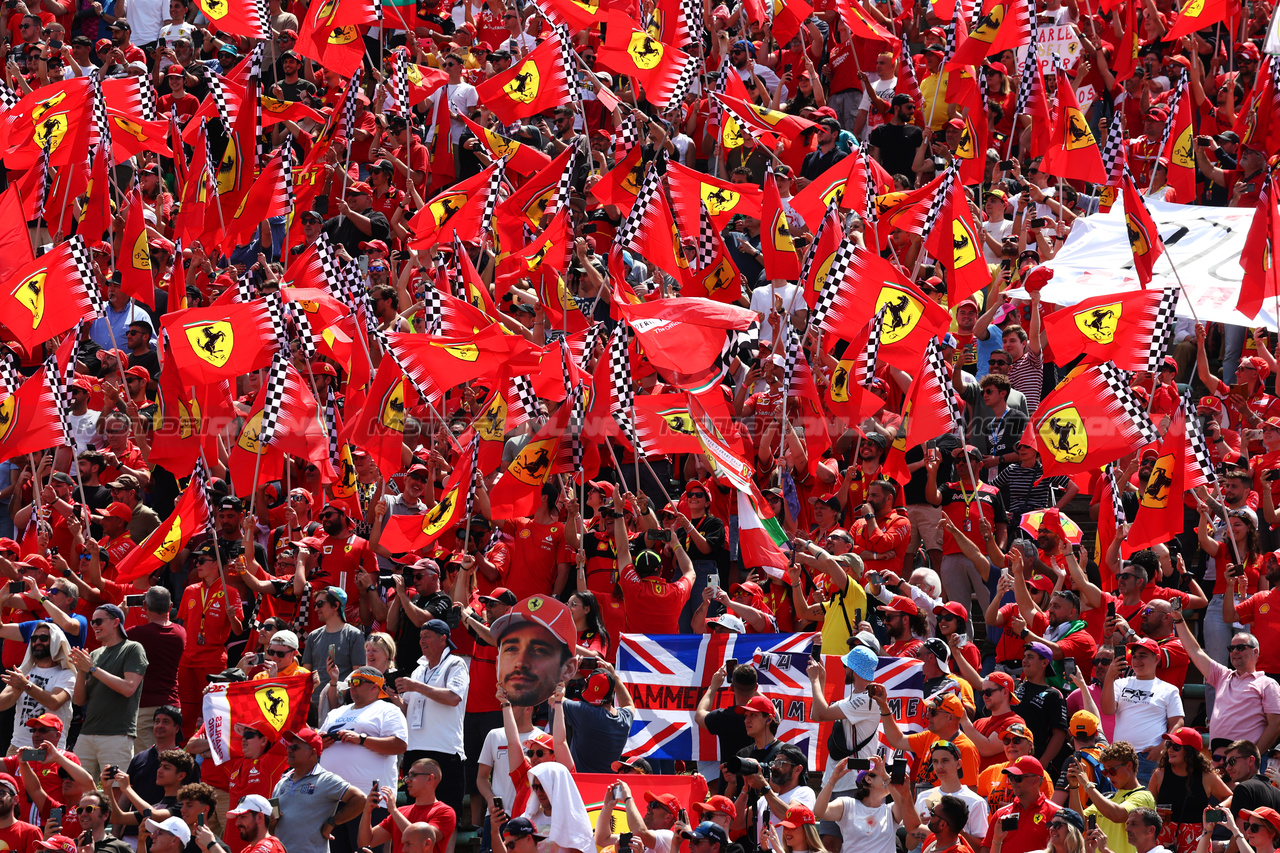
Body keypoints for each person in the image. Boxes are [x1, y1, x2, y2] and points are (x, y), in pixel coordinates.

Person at [68, 604, 148, 782]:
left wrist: (92, 668)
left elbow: (129, 688)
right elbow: (80, 700)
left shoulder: (133, 648)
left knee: (116, 791)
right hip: (87, 733)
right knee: (76, 788)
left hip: (117, 734)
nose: (94, 626)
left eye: (98, 621)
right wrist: (82, 671)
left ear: (115, 622)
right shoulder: (95, 654)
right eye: (91, 622)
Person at [400, 619, 469, 819]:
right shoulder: (418, 670)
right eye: (420, 637)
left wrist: (416, 687)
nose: (422, 641)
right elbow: (406, 709)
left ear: (443, 639)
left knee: (448, 815)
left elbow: (453, 697)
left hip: (445, 749)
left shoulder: (455, 663)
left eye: (427, 636)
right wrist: (394, 697)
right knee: (415, 813)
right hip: (414, 749)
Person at [272, 727, 366, 853]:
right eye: (289, 747)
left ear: (312, 753)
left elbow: (360, 799)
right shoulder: (281, 782)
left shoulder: (326, 779)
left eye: (295, 748)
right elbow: (272, 826)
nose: (289, 750)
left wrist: (332, 822)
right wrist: (271, 822)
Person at [1147, 727, 1230, 853]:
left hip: (1195, 841)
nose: (1170, 750)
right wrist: (1155, 813)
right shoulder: (1159, 775)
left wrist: (1216, 811)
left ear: (1190, 751)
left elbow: (1230, 796)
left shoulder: (1206, 776)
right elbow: (1148, 807)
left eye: (1176, 747)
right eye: (1169, 745)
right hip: (1164, 837)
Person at [1067, 742, 1157, 853]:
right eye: (1105, 772)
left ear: (1129, 765)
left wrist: (1087, 784)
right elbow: (1079, 822)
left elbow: (1117, 815)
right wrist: (1074, 786)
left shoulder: (1143, 796)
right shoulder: (1108, 797)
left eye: (1112, 770)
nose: (1108, 776)